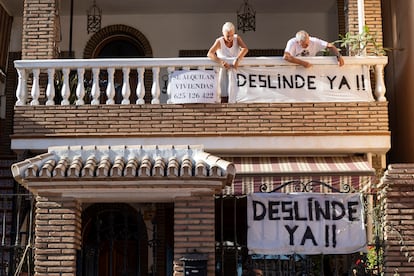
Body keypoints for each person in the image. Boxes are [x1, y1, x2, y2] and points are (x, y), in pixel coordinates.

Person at [207, 22, 249, 102]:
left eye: (232, 35)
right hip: (223, 72)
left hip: (235, 71)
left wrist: (238, 59)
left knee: (237, 93)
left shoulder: (237, 38)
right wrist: (221, 62)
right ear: (223, 33)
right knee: (224, 95)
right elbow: (210, 53)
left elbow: (245, 49)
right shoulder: (219, 41)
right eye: (227, 36)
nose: (230, 38)